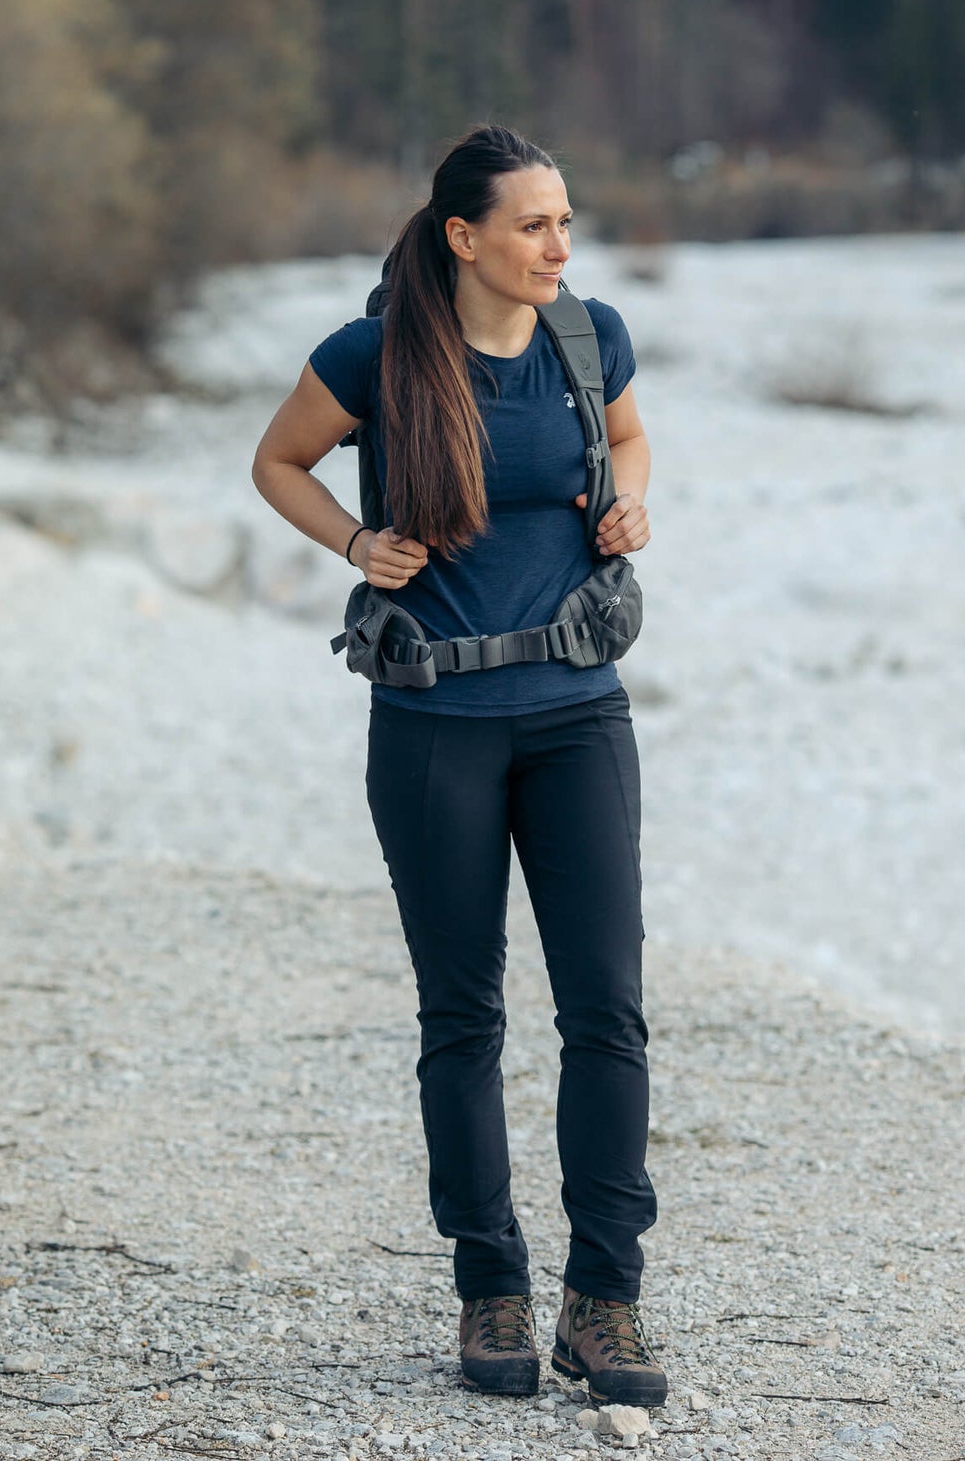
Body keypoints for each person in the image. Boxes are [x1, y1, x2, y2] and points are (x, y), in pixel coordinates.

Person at [251, 124, 666, 1406]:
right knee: (464, 1016)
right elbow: (276, 462)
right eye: (533, 225)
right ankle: (490, 1285)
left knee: (605, 1010)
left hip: (579, 714)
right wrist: (355, 541)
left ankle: (604, 1303)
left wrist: (630, 500)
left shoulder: (586, 338)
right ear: (463, 237)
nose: (558, 245)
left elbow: (631, 440)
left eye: (564, 220)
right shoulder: (375, 355)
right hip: (434, 726)